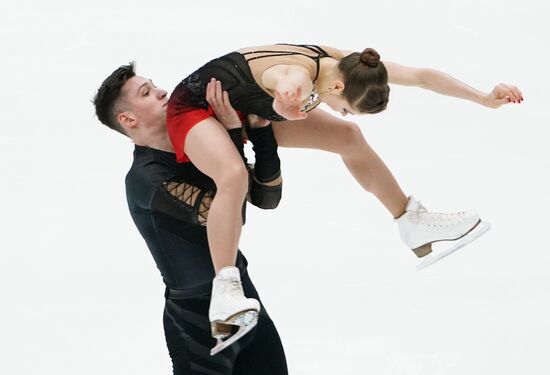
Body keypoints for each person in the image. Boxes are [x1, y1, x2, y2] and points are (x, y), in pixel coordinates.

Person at [165, 43, 523, 343]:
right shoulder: (299, 78)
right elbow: (286, 81)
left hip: (247, 106)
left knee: (348, 136)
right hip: (196, 107)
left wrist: (482, 98)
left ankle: (412, 220)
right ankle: (225, 289)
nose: (341, 110)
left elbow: (420, 76)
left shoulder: (347, 65)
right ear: (337, 90)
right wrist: (284, 102)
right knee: (232, 174)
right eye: (346, 107)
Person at [93, 63, 288, 373]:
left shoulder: (198, 146)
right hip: (197, 322)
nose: (161, 91)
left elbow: (267, 198)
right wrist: (234, 136)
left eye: (154, 84)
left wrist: (262, 133)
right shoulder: (146, 179)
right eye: (146, 92)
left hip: (242, 295)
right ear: (128, 119)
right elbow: (224, 210)